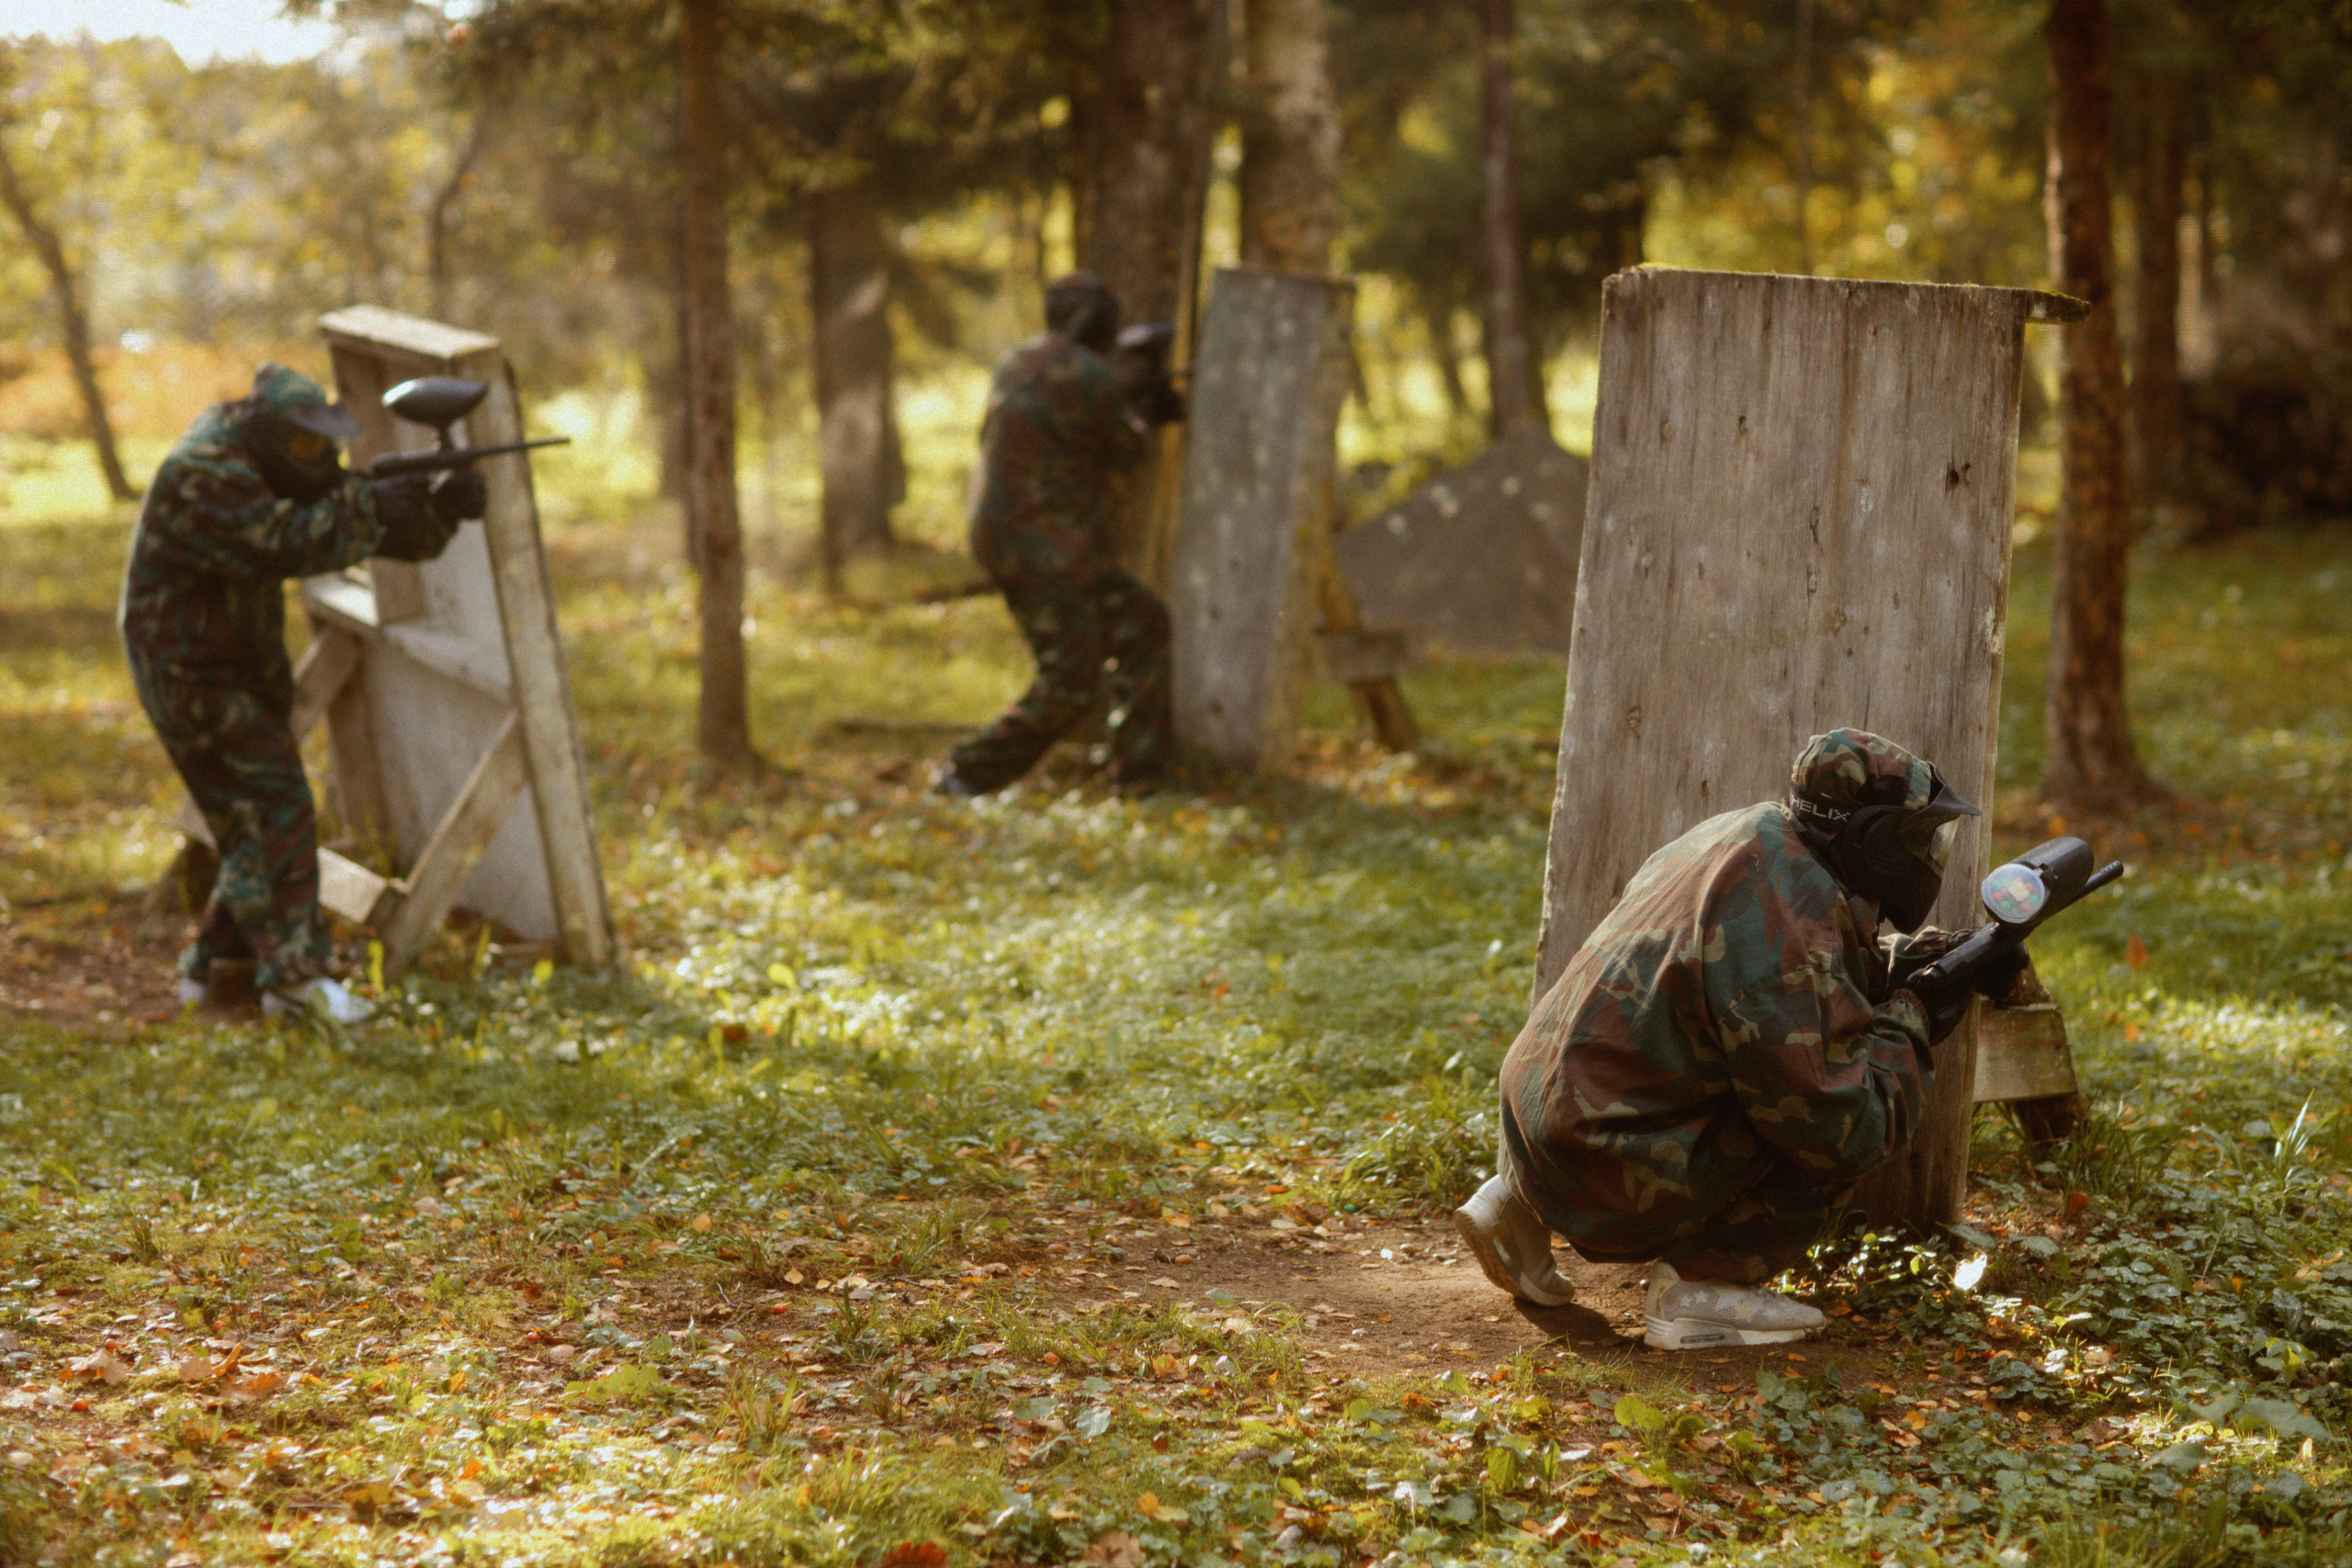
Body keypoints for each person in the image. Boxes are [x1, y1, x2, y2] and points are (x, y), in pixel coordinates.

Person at [1456, 728, 2012, 1350]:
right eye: (1919, 838)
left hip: (1537, 1128)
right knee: (1831, 1111)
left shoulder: (1747, 836)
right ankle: (1697, 1290)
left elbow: (1785, 969)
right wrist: (1916, 1012)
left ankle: (1515, 1209)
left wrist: (1914, 959)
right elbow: (1843, 1125)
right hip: (1601, 1172)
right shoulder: (1796, 918)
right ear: (1872, 840)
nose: (1928, 854)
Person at [122, 362, 483, 1023]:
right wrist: (376, 505)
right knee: (278, 804)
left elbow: (348, 515)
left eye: (326, 446)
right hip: (186, 667)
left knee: (248, 822)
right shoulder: (205, 469)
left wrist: (438, 511)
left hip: (231, 661)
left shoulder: (267, 457)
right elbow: (286, 538)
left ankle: (218, 973)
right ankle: (296, 983)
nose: (320, 460)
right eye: (306, 447)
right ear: (266, 435)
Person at [935, 272, 1182, 797]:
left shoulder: (1017, 360)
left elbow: (1057, 422)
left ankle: (1140, 779)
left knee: (1145, 625)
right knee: (1070, 683)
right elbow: (1128, 451)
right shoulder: (1088, 374)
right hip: (1050, 551)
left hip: (1026, 542)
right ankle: (965, 774)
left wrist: (1128, 394)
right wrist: (1143, 407)